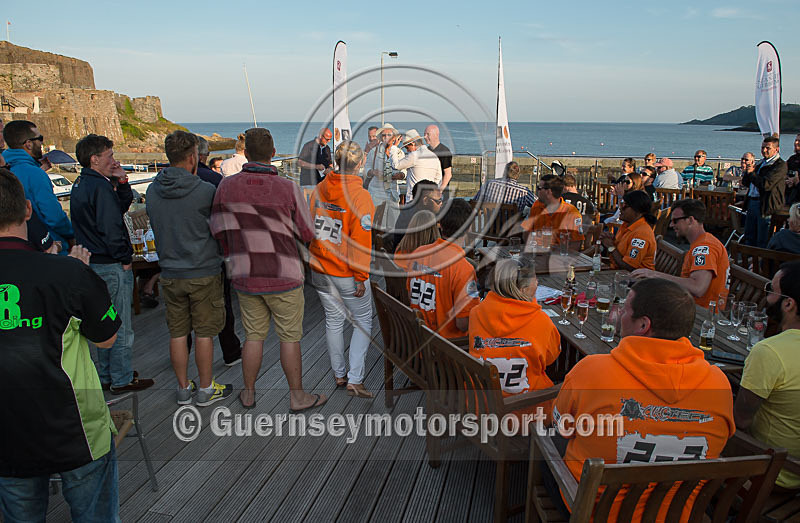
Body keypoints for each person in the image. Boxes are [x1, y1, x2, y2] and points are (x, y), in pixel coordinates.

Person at [550, 278, 734, 521]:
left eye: (625, 310)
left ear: (643, 325)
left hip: (595, 513)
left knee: (548, 447)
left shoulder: (591, 371)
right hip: (675, 514)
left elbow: (561, 427)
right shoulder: (720, 384)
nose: (619, 315)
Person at [0, 168, 123, 521]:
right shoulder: (66, 274)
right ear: (27, 209)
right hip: (75, 429)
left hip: (7, 432)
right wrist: (79, 272)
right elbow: (107, 338)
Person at [210, 127, 326, 412]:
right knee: (289, 337)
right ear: (273, 154)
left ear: (245, 153)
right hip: (284, 273)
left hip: (245, 273)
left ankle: (248, 393)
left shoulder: (226, 186)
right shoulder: (288, 188)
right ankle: (297, 396)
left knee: (253, 336)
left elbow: (217, 229)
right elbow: (308, 232)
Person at [146, 131, 232, 406]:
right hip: (203, 270)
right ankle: (206, 389)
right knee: (205, 331)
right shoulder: (205, 191)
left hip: (170, 272)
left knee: (178, 332)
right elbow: (222, 230)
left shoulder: (152, 191)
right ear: (194, 156)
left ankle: (183, 388)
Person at [71, 134, 154, 393]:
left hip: (93, 262)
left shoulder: (82, 183)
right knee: (121, 324)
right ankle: (121, 378)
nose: (114, 160)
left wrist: (123, 180)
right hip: (110, 263)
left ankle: (107, 374)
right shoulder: (99, 187)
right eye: (110, 156)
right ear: (95, 159)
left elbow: (117, 207)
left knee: (104, 321)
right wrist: (124, 258)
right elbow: (111, 225)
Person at [308, 141, 375, 398]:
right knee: (362, 320)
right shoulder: (361, 196)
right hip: (346, 272)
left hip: (320, 266)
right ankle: (355, 378)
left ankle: (339, 372)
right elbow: (361, 241)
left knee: (334, 320)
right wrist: (361, 277)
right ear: (360, 164)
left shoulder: (318, 189)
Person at [735, 260, 800, 491]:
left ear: (789, 304)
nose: (767, 297)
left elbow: (740, 421)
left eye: (771, 291)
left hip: (775, 474)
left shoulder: (770, 352)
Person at [469, 256, 560, 415]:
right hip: (523, 410)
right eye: (535, 280)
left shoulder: (476, 312)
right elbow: (550, 358)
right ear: (523, 290)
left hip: (480, 403)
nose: (537, 283)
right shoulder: (541, 322)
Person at [190, 137, 243, 365]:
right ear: (202, 155)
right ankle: (230, 351)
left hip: (176, 260)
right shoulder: (212, 180)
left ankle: (183, 360)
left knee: (181, 319)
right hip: (211, 253)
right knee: (221, 305)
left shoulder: (157, 184)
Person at [394, 211, 480, 339]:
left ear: (441, 226)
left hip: (418, 336)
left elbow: (410, 295)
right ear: (468, 227)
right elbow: (463, 324)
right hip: (445, 347)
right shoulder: (464, 269)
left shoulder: (418, 253)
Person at [631, 198, 729, 308]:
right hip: (691, 306)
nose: (671, 225)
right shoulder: (702, 243)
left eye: (675, 221)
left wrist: (654, 275)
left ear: (691, 220)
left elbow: (698, 288)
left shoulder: (705, 247)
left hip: (703, 315)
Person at [2, 120, 74, 250]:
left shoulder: (5, 169)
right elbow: (54, 216)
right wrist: (70, 235)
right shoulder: (34, 174)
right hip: (48, 245)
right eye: (39, 138)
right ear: (28, 144)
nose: (41, 142)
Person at [743, 136, 787, 248]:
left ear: (776, 149)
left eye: (768, 148)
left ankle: (759, 264)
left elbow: (766, 185)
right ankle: (747, 261)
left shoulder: (780, 165)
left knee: (762, 238)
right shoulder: (760, 163)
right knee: (749, 236)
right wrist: (748, 172)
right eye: (762, 148)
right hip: (752, 202)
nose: (764, 150)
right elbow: (747, 183)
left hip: (765, 205)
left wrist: (752, 174)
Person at [522, 174, 583, 249]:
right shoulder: (536, 205)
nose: (536, 191)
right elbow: (526, 234)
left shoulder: (571, 213)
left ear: (548, 192)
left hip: (560, 257)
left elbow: (576, 245)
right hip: (537, 254)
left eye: (539, 188)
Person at [601, 190, 657, 270]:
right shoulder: (627, 225)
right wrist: (611, 241)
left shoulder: (641, 234)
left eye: (624, 206)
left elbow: (629, 266)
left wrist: (611, 247)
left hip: (637, 279)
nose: (620, 208)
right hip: (618, 272)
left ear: (637, 210)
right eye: (620, 204)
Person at [364, 123, 403, 231]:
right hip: (376, 193)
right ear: (381, 137)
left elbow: (404, 171)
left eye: (389, 135)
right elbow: (366, 169)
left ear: (394, 137)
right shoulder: (374, 151)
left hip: (393, 194)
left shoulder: (398, 153)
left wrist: (400, 175)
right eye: (384, 135)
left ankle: (390, 247)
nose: (386, 137)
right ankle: (376, 246)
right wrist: (373, 172)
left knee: (394, 225)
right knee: (375, 225)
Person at [388, 129, 442, 203]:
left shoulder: (414, 155)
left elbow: (396, 165)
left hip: (413, 199)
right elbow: (438, 178)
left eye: (407, 147)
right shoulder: (434, 156)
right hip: (429, 200)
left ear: (413, 144)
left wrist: (393, 148)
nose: (407, 151)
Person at [390, 180, 443, 253]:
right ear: (425, 200)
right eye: (438, 201)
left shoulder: (409, 209)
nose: (441, 204)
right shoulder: (420, 219)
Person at [424, 125, 453, 196]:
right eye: (424, 134)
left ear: (436, 135)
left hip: (441, 193)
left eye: (428, 134)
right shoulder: (426, 150)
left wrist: (439, 191)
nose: (425, 137)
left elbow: (448, 174)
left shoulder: (444, 151)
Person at [786, 134, 800, 206]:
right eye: (795, 140)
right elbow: (783, 172)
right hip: (789, 196)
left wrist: (797, 181)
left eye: (799, 141)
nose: (796, 143)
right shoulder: (792, 159)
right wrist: (787, 180)